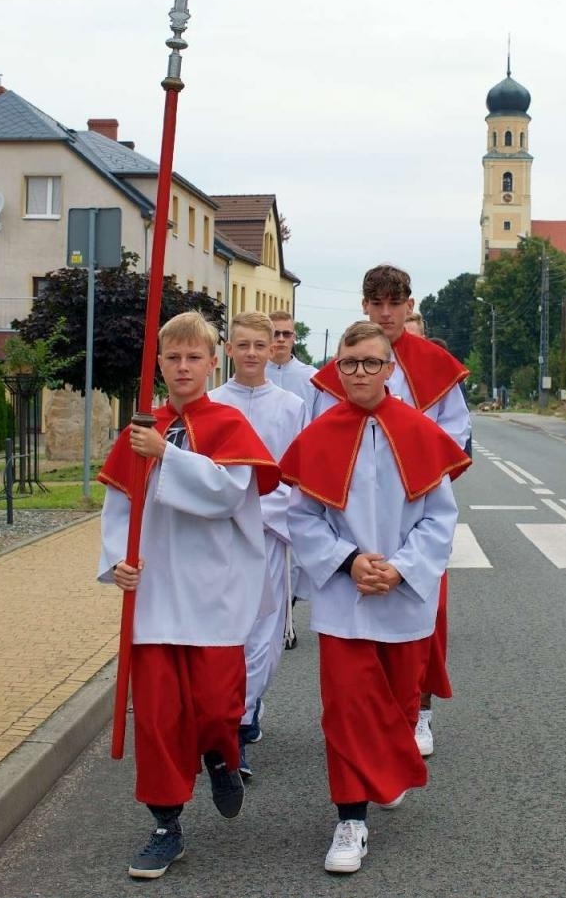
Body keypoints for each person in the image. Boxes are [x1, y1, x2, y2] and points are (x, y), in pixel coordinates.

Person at [96, 311, 280, 880]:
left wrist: (167, 455)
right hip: (154, 593)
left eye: (193, 357)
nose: (182, 367)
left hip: (211, 591)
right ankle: (165, 824)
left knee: (217, 705)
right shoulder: (141, 431)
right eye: (172, 358)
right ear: (159, 363)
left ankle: (221, 751)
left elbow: (226, 494)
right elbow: (120, 506)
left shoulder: (227, 424)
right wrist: (117, 564)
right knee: (156, 719)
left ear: (211, 362)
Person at [280, 321, 469, 875]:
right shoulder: (317, 435)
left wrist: (401, 568)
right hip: (344, 598)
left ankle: (387, 767)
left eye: (370, 363)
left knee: (399, 705)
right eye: (349, 364)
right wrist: (349, 560)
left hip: (403, 599)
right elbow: (302, 516)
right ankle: (351, 820)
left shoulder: (420, 432)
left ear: (390, 369)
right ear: (336, 371)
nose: (359, 373)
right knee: (344, 711)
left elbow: (440, 518)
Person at [308, 263, 470, 757]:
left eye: (394, 305)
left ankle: (416, 709)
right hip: (353, 512)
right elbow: (318, 440)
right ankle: (368, 731)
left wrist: (413, 453)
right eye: (376, 304)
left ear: (408, 306)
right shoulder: (343, 368)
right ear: (364, 306)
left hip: (412, 505)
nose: (385, 313)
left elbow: (458, 434)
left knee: (426, 611)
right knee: (353, 636)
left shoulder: (435, 365)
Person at [209, 311, 307, 780]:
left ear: (273, 350)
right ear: (229, 350)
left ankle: (247, 707)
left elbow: (295, 475)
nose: (250, 354)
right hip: (220, 538)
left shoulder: (290, 406)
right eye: (241, 345)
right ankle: (236, 730)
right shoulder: (210, 404)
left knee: (264, 640)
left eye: (259, 345)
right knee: (228, 634)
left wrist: (266, 514)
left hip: (268, 534)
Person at [265, 310, 318, 409]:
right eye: (275, 334)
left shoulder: (312, 378)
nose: (281, 339)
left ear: (294, 337)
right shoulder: (254, 375)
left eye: (286, 334)